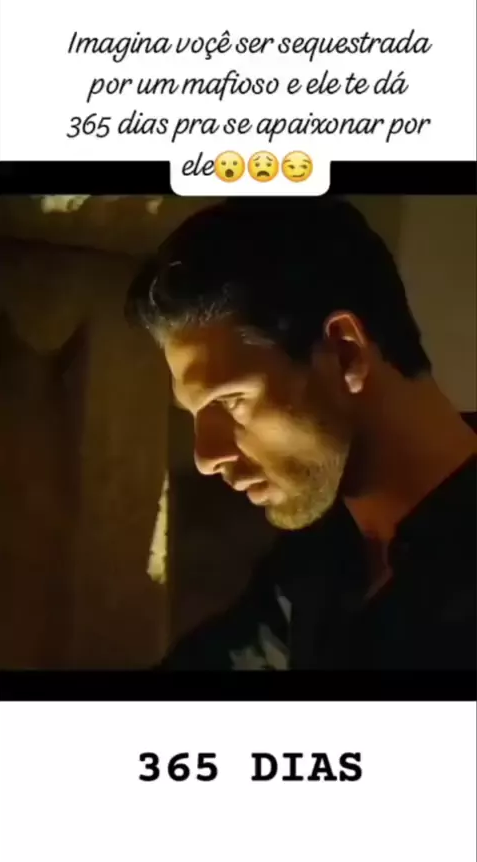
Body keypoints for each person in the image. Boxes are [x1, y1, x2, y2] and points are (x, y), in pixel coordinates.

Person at [127, 197, 477, 670]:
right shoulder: (322, 554)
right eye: (195, 414)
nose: (206, 457)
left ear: (346, 352)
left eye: (229, 401)